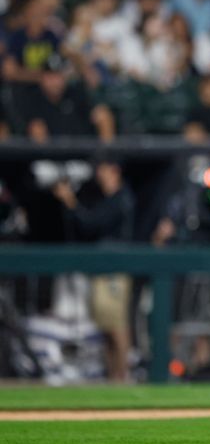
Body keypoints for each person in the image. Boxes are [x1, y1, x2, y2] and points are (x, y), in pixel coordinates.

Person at [51, 153, 135, 381]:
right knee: (106, 326)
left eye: (104, 168)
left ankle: (123, 375)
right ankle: (113, 374)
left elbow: (91, 224)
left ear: (114, 170)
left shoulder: (121, 198)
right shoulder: (105, 198)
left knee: (117, 325)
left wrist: (70, 202)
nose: (100, 174)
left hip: (115, 270)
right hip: (102, 269)